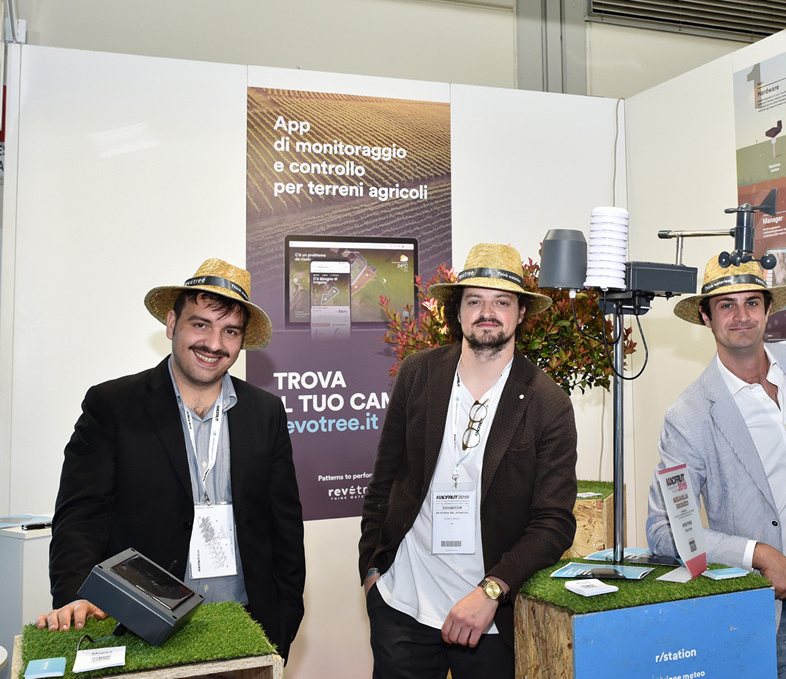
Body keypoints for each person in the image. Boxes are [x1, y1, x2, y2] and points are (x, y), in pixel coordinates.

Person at [36, 259, 306, 660]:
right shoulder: (113, 405)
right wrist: (76, 594)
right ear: (171, 323)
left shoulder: (265, 412)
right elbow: (80, 515)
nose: (214, 343)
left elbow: (285, 527)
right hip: (140, 622)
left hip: (247, 623)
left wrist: (284, 620)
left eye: (230, 331)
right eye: (201, 324)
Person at [359, 243, 578, 679]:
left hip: (488, 618)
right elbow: (384, 480)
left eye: (502, 302)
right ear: (457, 312)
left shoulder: (547, 402)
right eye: (474, 301)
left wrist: (492, 590)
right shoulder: (418, 374)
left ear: (520, 313)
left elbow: (554, 522)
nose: (487, 312)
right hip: (402, 604)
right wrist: (372, 571)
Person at [646, 255, 786, 679]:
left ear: (768, 310)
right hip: (774, 603)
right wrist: (759, 555)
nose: (742, 316)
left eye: (752, 302)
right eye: (726, 306)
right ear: (706, 317)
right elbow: (666, 531)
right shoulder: (689, 416)